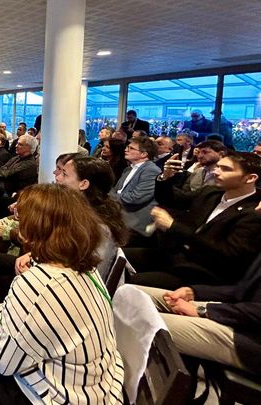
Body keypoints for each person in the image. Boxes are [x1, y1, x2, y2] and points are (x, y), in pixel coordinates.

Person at [0, 184, 124, 405]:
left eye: (19, 216)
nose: (15, 218)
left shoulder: (37, 283)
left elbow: (4, 361)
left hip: (62, 396)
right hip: (99, 388)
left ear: (32, 229)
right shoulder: (84, 264)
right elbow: (33, 317)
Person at [127, 152, 261, 289]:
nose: (216, 171)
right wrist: (165, 176)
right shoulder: (211, 192)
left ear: (250, 178)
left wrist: (173, 226)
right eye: (218, 167)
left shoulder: (254, 211)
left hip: (204, 271)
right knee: (117, 255)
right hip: (178, 256)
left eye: (226, 169)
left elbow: (226, 253)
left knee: (133, 282)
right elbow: (172, 199)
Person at [133, 252, 261, 373]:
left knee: (143, 320)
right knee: (136, 294)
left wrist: (203, 311)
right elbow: (241, 290)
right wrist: (194, 292)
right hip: (241, 313)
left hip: (250, 338)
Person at [112, 136, 161, 246]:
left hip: (135, 225)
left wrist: (113, 196)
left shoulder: (152, 170)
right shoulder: (128, 168)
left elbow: (135, 198)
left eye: (131, 148)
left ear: (144, 154)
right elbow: (116, 191)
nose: (126, 149)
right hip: (120, 218)